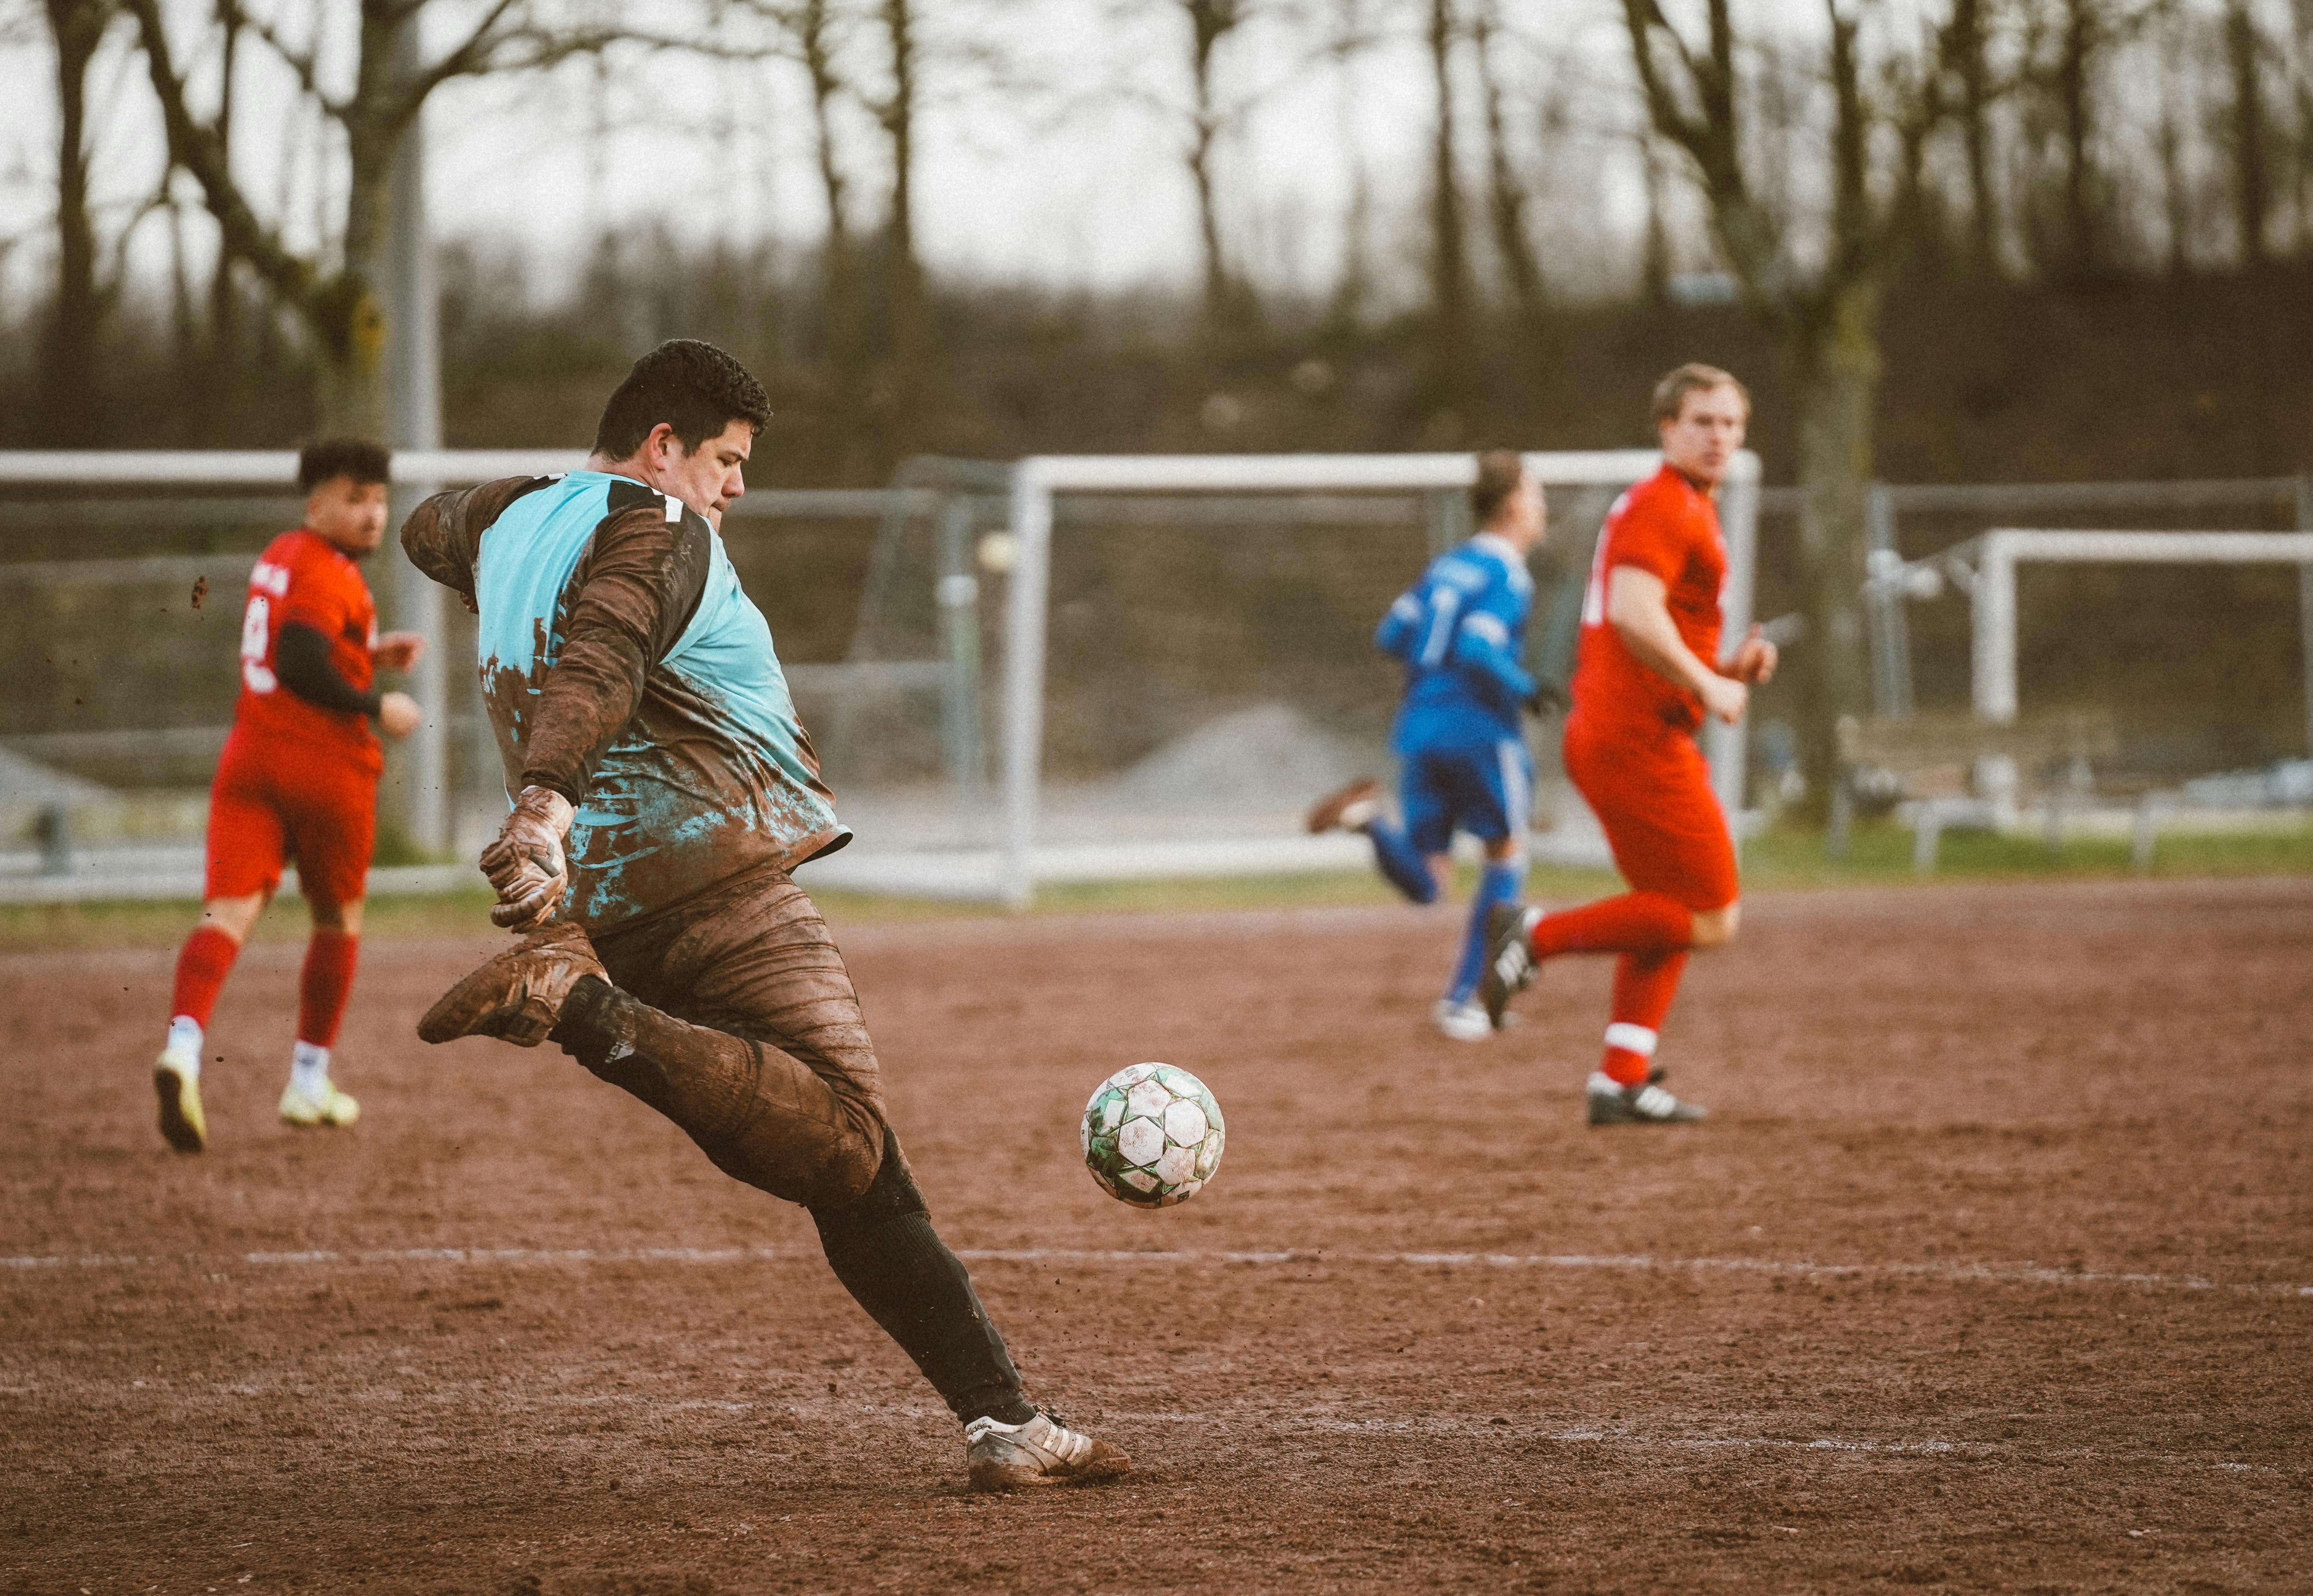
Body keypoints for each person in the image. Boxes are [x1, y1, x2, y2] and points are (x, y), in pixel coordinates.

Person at [400, 338, 1130, 1493]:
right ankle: (576, 1004)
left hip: (611, 896)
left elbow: (424, 525)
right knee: (844, 1141)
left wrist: (505, 558)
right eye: (727, 459)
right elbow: (607, 649)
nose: (735, 486)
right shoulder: (658, 525)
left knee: (853, 1166)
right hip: (716, 882)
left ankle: (1001, 1419)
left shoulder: (506, 516)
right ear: (662, 446)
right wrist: (541, 805)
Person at [1478, 364, 1776, 1125]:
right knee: (1713, 916)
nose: (1718, 437)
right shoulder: (1664, 507)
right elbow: (1635, 616)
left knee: (1666, 907)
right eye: (1702, 421)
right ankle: (1533, 934)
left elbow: (1651, 634)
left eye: (1730, 424)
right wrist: (1709, 688)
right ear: (1666, 427)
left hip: (1626, 733)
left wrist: (1720, 669)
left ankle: (1620, 1079)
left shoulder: (1681, 506)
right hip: (1635, 742)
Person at [153, 439, 427, 1153]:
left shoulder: (280, 554)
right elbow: (300, 658)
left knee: (229, 914)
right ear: (317, 504)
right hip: (325, 768)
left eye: (377, 498)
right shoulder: (328, 571)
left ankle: (182, 1051)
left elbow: (298, 643)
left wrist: (368, 651)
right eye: (353, 498)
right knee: (338, 921)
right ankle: (308, 1082)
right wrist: (376, 702)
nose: (370, 514)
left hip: (249, 757)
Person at [1306, 450, 1551, 1042]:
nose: (1543, 509)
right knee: (1507, 856)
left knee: (1429, 881)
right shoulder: (1505, 573)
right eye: (1539, 496)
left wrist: (1429, 677)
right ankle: (1467, 1001)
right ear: (1515, 504)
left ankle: (1368, 822)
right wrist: (1526, 687)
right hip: (1478, 730)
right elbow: (1475, 646)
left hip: (1419, 725)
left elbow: (1391, 634)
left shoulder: (1447, 566)